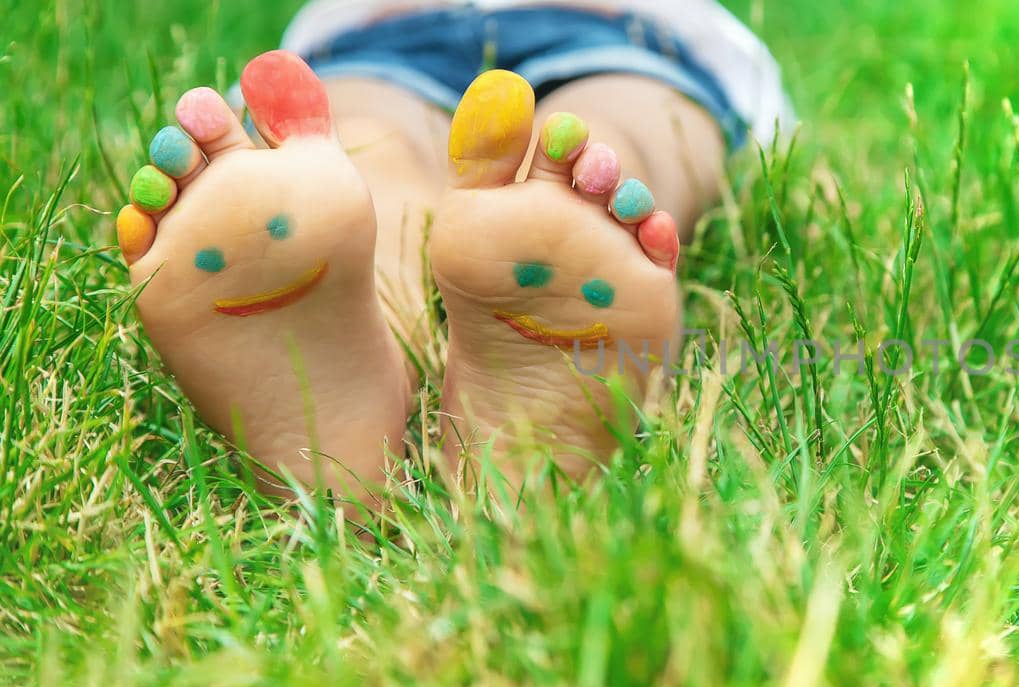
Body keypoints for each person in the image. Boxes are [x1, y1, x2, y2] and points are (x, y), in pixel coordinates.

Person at [112, 0, 792, 508]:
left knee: (382, 158)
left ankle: (382, 314)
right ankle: (402, 345)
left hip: (514, 32)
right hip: (469, 33)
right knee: (613, 144)